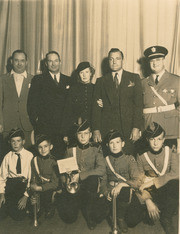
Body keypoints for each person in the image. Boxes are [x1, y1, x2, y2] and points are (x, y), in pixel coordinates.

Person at [56, 119, 107, 230]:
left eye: (86, 134)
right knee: (69, 218)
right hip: (75, 187)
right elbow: (62, 172)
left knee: (93, 179)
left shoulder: (96, 149)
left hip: (90, 187)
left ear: (90, 135)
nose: (83, 137)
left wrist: (81, 175)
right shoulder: (70, 150)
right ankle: (77, 203)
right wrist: (66, 182)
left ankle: (88, 214)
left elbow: (102, 170)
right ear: (76, 135)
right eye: (80, 134)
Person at [92, 48, 143, 155]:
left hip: (129, 130)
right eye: (111, 59)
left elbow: (138, 106)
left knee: (129, 160)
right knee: (109, 163)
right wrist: (96, 130)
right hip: (108, 130)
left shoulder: (134, 78)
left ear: (122, 60)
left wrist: (136, 127)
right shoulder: (101, 81)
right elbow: (96, 108)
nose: (114, 62)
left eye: (117, 58)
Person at [27, 51, 72, 159]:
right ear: (46, 64)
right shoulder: (38, 80)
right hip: (45, 128)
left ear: (60, 62)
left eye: (56, 60)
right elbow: (31, 104)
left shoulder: (69, 80)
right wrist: (37, 123)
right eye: (50, 61)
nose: (53, 63)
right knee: (46, 159)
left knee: (62, 159)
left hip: (63, 129)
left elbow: (71, 106)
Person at [137, 122, 179, 234]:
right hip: (152, 193)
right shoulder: (142, 156)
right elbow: (139, 181)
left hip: (166, 189)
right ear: (147, 140)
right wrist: (147, 200)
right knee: (136, 219)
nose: (155, 143)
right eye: (152, 139)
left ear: (164, 139)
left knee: (175, 184)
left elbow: (176, 173)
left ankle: (166, 217)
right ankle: (154, 208)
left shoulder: (171, 151)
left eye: (159, 139)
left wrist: (153, 182)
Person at [100, 129, 144, 233]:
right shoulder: (105, 160)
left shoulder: (129, 159)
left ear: (123, 144)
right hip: (110, 191)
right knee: (97, 215)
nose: (115, 146)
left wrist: (122, 185)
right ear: (107, 145)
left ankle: (120, 217)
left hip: (125, 193)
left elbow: (137, 181)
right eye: (111, 143)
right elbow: (103, 179)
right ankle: (112, 213)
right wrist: (105, 192)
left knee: (133, 221)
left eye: (117, 142)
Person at [142, 45, 180, 149]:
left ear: (163, 60)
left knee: (170, 162)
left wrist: (174, 116)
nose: (155, 63)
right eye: (152, 61)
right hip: (149, 130)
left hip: (169, 129)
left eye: (158, 59)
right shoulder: (143, 83)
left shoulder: (176, 80)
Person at [0, 50, 33, 156]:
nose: (19, 63)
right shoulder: (3, 80)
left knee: (28, 156)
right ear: (11, 62)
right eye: (16, 60)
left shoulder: (34, 79)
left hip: (27, 126)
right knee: (7, 156)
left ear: (26, 62)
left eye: (22, 61)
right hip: (8, 126)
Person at [0, 128, 33, 221]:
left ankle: (16, 208)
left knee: (19, 216)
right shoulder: (7, 157)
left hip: (23, 186)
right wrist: (2, 194)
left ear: (23, 141)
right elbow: (1, 177)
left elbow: (31, 178)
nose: (15, 144)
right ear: (9, 142)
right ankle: (8, 207)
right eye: (13, 141)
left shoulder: (29, 156)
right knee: (1, 213)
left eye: (18, 141)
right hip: (11, 186)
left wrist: (26, 196)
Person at [62, 62, 96, 145]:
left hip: (92, 127)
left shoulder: (96, 88)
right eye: (81, 72)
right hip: (76, 128)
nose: (84, 75)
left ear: (91, 73)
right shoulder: (73, 89)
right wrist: (65, 133)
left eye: (87, 72)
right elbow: (67, 111)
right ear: (78, 74)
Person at [30, 134, 59, 219]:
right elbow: (33, 176)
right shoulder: (34, 160)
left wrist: (40, 188)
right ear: (37, 148)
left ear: (51, 147)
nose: (43, 150)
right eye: (40, 147)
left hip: (50, 187)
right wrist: (33, 186)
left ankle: (50, 206)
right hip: (38, 186)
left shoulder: (54, 162)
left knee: (47, 197)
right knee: (33, 210)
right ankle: (38, 208)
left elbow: (55, 183)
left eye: (45, 146)